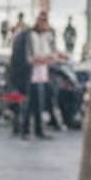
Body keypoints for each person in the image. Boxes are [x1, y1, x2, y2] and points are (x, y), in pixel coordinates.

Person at [20, 11, 59, 140]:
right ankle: (26, 130)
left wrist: (50, 58)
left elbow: (52, 52)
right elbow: (29, 58)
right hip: (31, 73)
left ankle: (38, 130)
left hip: (42, 72)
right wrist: (43, 59)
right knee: (30, 102)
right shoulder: (29, 35)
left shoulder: (49, 35)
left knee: (39, 102)